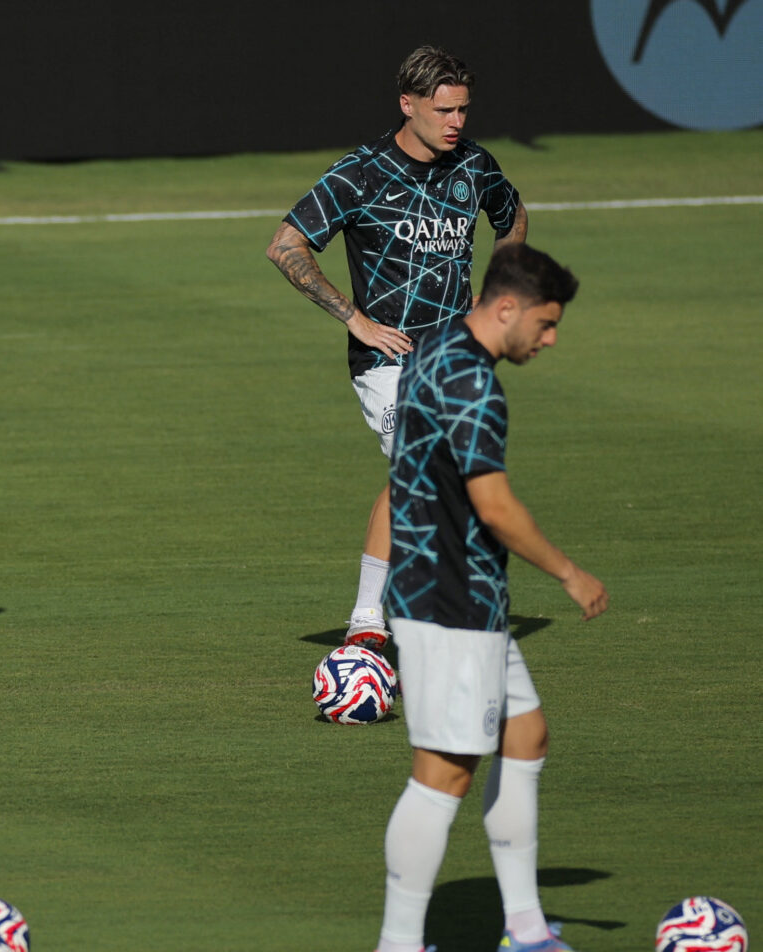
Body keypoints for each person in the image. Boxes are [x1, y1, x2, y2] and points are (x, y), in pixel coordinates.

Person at [375, 243, 608, 952]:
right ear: (506, 307)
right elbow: (496, 506)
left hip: (452, 588)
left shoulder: (439, 340)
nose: (551, 338)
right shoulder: (475, 384)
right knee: (442, 775)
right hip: (450, 598)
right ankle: (399, 943)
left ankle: (526, 930)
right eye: (545, 323)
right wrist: (570, 573)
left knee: (525, 734)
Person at [266, 46, 527, 650]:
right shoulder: (359, 174)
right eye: (443, 111)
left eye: (463, 109)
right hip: (389, 360)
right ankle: (371, 626)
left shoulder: (474, 166)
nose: (456, 122)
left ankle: (402, 621)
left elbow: (511, 214)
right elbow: (286, 247)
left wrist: (504, 282)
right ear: (407, 105)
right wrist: (354, 318)